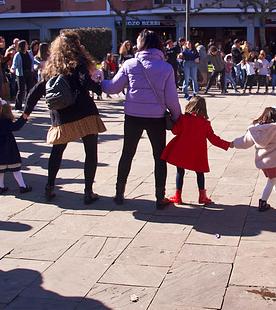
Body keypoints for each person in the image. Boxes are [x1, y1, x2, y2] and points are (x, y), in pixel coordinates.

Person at [101, 29, 181, 208]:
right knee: (159, 157)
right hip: (157, 118)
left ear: (141, 44)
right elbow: (172, 99)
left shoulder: (130, 64)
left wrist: (99, 84)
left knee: (127, 154)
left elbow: (113, 88)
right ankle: (160, 197)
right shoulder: (166, 68)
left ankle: (119, 193)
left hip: (133, 115)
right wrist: (177, 117)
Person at [25, 31, 106, 204]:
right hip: (84, 112)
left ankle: (50, 187)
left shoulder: (51, 67)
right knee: (90, 152)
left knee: (57, 151)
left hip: (61, 115)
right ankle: (88, 192)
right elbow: (85, 81)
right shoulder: (79, 62)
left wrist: (26, 112)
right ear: (76, 45)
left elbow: (36, 91)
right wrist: (101, 88)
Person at [162, 96, 231, 205]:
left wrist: (171, 121)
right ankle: (202, 196)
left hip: (182, 150)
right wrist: (227, 144)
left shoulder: (183, 119)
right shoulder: (205, 124)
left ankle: (178, 196)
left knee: (180, 172)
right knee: (200, 173)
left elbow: (175, 131)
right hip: (197, 153)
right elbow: (213, 139)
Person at [233, 107, 276, 211]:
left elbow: (244, 142)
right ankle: (263, 201)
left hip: (263, 161)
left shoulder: (255, 130)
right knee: (272, 181)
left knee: (275, 179)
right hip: (274, 161)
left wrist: (232, 144)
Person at [0, 97, 32, 194]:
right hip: (8, 149)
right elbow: (16, 126)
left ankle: (0, 186)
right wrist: (23, 118)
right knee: (16, 169)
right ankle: (22, 185)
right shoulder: (6, 122)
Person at [11, 40, 35, 111]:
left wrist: (39, 64)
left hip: (29, 73)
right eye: (26, 44)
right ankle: (18, 106)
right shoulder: (18, 55)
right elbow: (14, 65)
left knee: (30, 89)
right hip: (21, 74)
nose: (27, 46)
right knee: (21, 90)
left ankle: (29, 105)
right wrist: (13, 70)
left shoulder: (29, 53)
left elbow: (33, 61)